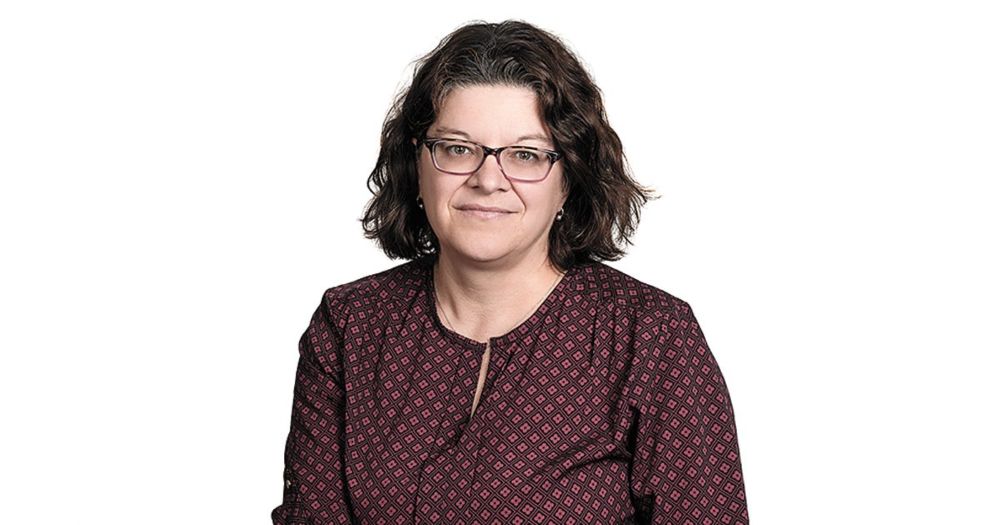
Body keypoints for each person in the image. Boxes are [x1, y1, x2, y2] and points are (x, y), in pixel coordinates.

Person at [272, 20, 749, 525]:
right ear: (417, 164)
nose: (488, 179)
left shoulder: (650, 336)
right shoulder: (350, 325)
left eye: (525, 155)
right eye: (458, 148)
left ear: (568, 180)